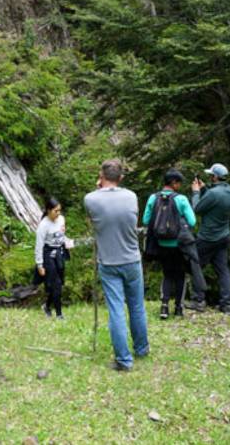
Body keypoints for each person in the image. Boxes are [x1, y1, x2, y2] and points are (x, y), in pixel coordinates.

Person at [84, 159, 149, 371]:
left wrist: (98, 190)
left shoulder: (90, 199)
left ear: (101, 177)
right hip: (132, 259)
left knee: (116, 310)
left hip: (109, 261)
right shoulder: (131, 196)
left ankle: (124, 359)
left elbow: (92, 222)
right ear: (120, 178)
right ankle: (141, 348)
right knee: (137, 306)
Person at [142, 169, 196, 319]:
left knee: (167, 274)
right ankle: (178, 307)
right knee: (180, 275)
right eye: (179, 182)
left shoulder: (153, 198)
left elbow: (146, 221)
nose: (179, 185)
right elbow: (192, 221)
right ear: (174, 182)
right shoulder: (181, 199)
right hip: (179, 244)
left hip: (161, 244)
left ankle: (164, 307)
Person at [190, 163, 230, 313]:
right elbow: (214, 202)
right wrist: (204, 189)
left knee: (196, 266)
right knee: (222, 270)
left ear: (215, 177)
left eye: (211, 175)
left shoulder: (213, 193)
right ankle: (226, 304)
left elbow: (197, 209)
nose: (210, 177)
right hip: (224, 236)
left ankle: (199, 300)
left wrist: (196, 192)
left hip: (207, 238)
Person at [35, 197, 71, 319]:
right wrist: (40, 265)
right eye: (56, 211)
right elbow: (39, 246)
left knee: (59, 284)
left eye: (59, 210)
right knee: (55, 284)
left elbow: (62, 235)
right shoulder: (43, 225)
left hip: (59, 253)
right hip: (48, 256)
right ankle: (59, 314)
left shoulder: (61, 219)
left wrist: (67, 242)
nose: (58, 213)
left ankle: (46, 306)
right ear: (49, 210)